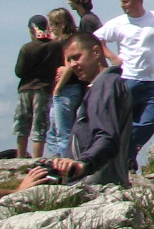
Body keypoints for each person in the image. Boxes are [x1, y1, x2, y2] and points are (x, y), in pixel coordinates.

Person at [96, 0, 154, 170]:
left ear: (138, 0)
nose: (122, 5)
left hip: (152, 80)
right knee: (123, 122)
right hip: (128, 79)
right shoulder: (118, 23)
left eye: (125, 1)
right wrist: (112, 57)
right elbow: (96, 38)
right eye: (121, 2)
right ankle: (124, 159)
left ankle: (126, 152)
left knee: (149, 121)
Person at [47, 32, 132, 187]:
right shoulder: (106, 84)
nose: (73, 65)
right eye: (69, 60)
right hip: (100, 181)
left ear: (96, 52)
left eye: (76, 57)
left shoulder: (105, 85)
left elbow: (106, 136)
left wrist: (83, 164)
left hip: (96, 184)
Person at [13, 13, 60, 159]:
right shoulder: (56, 46)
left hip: (26, 88)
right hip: (44, 88)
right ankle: (36, 159)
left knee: (22, 126)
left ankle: (20, 158)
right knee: (39, 126)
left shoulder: (27, 48)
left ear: (32, 30)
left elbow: (19, 72)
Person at [43, 8, 81, 155]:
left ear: (61, 24)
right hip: (69, 89)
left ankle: (65, 160)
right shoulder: (70, 40)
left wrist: (58, 88)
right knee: (53, 131)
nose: (50, 27)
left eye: (53, 24)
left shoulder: (67, 42)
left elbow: (68, 66)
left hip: (67, 89)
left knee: (62, 132)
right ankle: (57, 159)